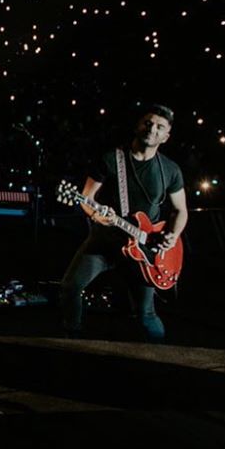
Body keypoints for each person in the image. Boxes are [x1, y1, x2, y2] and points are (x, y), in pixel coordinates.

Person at [60, 104, 188, 342]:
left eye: (160, 127)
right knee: (70, 287)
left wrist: (172, 236)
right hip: (105, 242)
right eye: (148, 123)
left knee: (145, 314)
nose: (152, 129)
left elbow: (180, 210)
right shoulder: (111, 159)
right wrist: (98, 216)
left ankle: (164, 358)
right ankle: (72, 340)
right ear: (138, 125)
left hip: (143, 247)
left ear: (166, 136)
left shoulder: (170, 170)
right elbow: (87, 199)